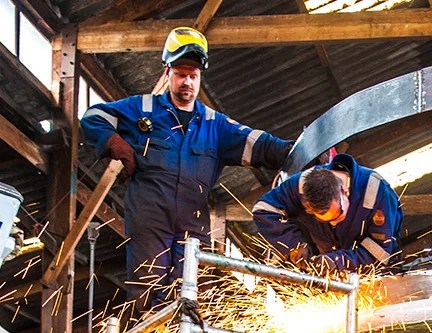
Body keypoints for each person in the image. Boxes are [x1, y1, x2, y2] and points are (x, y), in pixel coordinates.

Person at [80, 27, 293, 311]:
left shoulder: (215, 125)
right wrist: (116, 142)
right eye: (181, 74)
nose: (187, 82)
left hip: (193, 224)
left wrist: (303, 149)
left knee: (193, 293)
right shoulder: (141, 109)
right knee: (149, 291)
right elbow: (92, 117)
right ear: (167, 71)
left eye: (193, 76)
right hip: (149, 220)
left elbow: (262, 145)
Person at [253, 153, 403, 273]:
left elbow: (380, 252)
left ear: (344, 191)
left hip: (379, 275)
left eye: (338, 215)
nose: (334, 223)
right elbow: (263, 210)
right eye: (325, 220)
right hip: (331, 277)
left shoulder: (377, 191)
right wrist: (295, 246)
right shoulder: (302, 185)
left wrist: (335, 262)